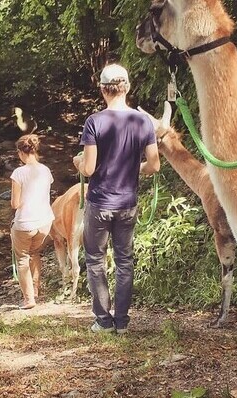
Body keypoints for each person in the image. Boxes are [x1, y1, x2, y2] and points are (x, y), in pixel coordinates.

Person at [73, 63, 160, 334]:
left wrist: (77, 162)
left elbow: (88, 169)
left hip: (99, 202)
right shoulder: (142, 121)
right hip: (127, 204)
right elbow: (154, 166)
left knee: (96, 260)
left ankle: (103, 320)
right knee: (125, 260)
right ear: (128, 87)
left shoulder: (94, 122)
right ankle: (122, 321)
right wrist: (135, 167)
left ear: (102, 90)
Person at [9, 134, 54, 309]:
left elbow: (15, 204)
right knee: (35, 253)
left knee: (22, 259)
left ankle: (29, 300)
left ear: (21, 152)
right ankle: (35, 290)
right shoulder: (46, 170)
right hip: (44, 222)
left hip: (25, 224)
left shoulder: (18, 173)